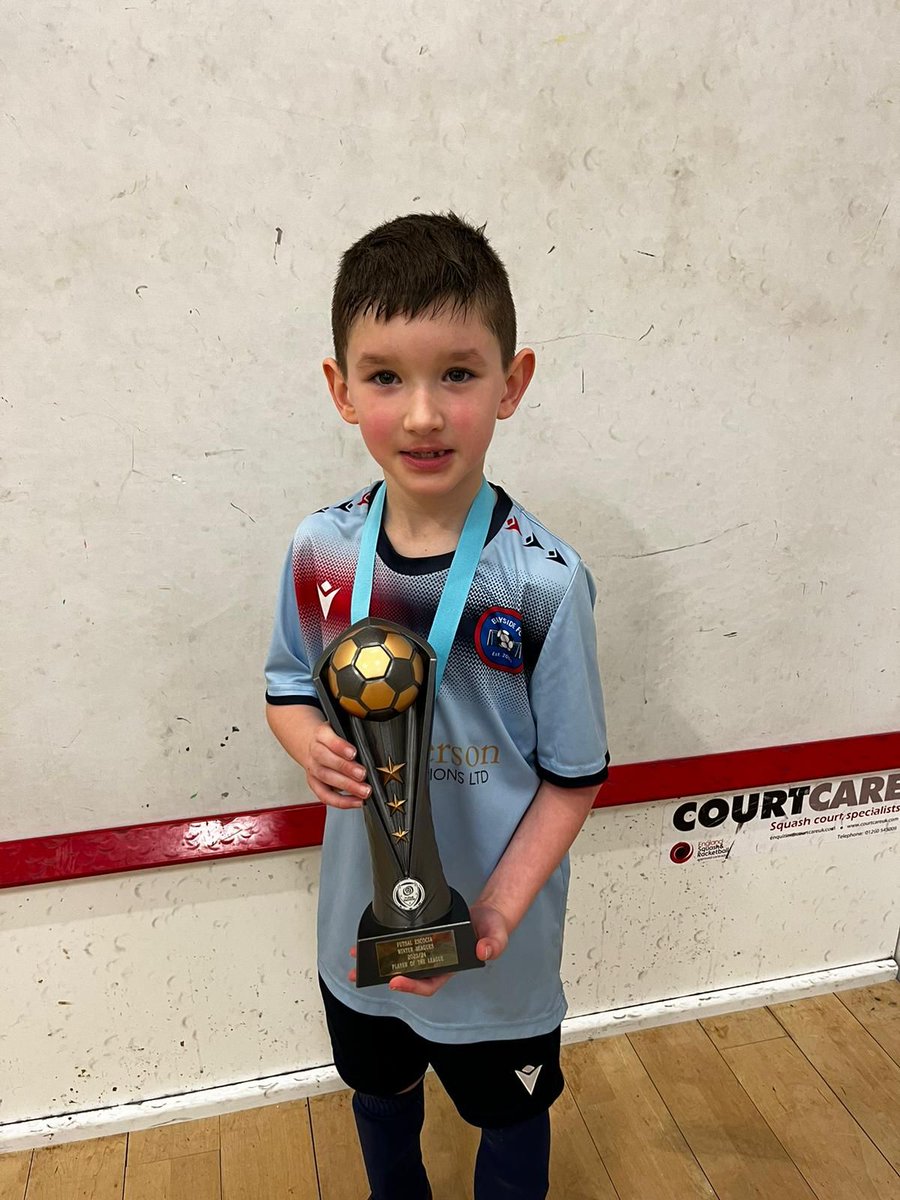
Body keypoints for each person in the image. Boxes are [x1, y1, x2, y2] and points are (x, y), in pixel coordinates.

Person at [265, 212, 609, 1200]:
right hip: (357, 933)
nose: (422, 414)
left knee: (509, 1115)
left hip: (498, 955)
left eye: (458, 374)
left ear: (513, 382)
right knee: (379, 1100)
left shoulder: (544, 582)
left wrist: (494, 912)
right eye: (385, 377)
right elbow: (290, 684)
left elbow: (573, 777)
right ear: (340, 390)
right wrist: (306, 744)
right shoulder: (319, 554)